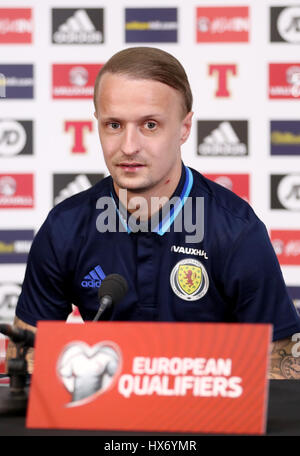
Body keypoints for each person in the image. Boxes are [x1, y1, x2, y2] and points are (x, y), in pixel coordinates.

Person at [6, 47, 300, 378]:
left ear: (185, 128)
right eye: (114, 125)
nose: (129, 146)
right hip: (103, 418)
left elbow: (283, 366)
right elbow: (26, 354)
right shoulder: (65, 228)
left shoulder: (236, 231)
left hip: (211, 419)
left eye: (149, 125)